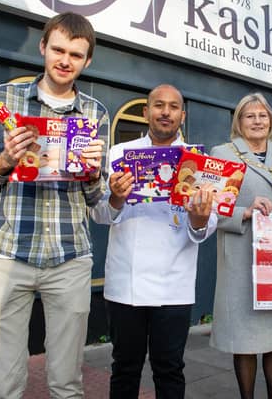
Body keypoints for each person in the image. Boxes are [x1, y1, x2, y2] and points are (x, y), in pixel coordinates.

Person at [0, 12, 108, 399]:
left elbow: (97, 201)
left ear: (87, 61)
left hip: (70, 256)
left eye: (76, 55)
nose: (65, 60)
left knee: (67, 385)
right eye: (58, 49)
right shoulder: (2, 100)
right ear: (43, 47)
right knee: (4, 386)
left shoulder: (96, 115)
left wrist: (94, 174)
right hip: (8, 254)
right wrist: (5, 161)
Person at [91, 84, 217, 399]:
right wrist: (117, 199)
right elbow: (99, 214)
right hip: (125, 282)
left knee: (170, 368)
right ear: (146, 112)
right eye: (158, 105)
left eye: (173, 107)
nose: (165, 112)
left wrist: (200, 219)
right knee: (124, 367)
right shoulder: (119, 155)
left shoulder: (198, 162)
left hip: (174, 285)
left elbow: (208, 222)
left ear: (182, 115)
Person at [209, 92, 272, 399]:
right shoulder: (223, 153)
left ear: (271, 121)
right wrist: (245, 211)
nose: (257, 121)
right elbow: (214, 208)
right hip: (241, 258)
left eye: (262, 116)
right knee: (245, 338)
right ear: (238, 122)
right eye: (249, 116)